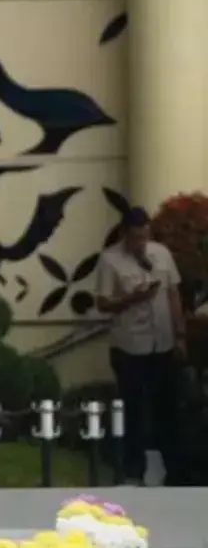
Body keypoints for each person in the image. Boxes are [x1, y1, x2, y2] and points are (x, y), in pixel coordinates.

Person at [95, 206, 185, 485]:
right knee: (134, 409)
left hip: (163, 342)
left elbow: (173, 293)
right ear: (125, 234)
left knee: (167, 407)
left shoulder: (162, 254)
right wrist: (132, 299)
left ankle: (174, 470)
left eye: (145, 236)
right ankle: (134, 470)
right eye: (136, 237)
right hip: (130, 345)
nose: (141, 243)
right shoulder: (110, 261)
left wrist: (180, 334)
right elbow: (103, 303)